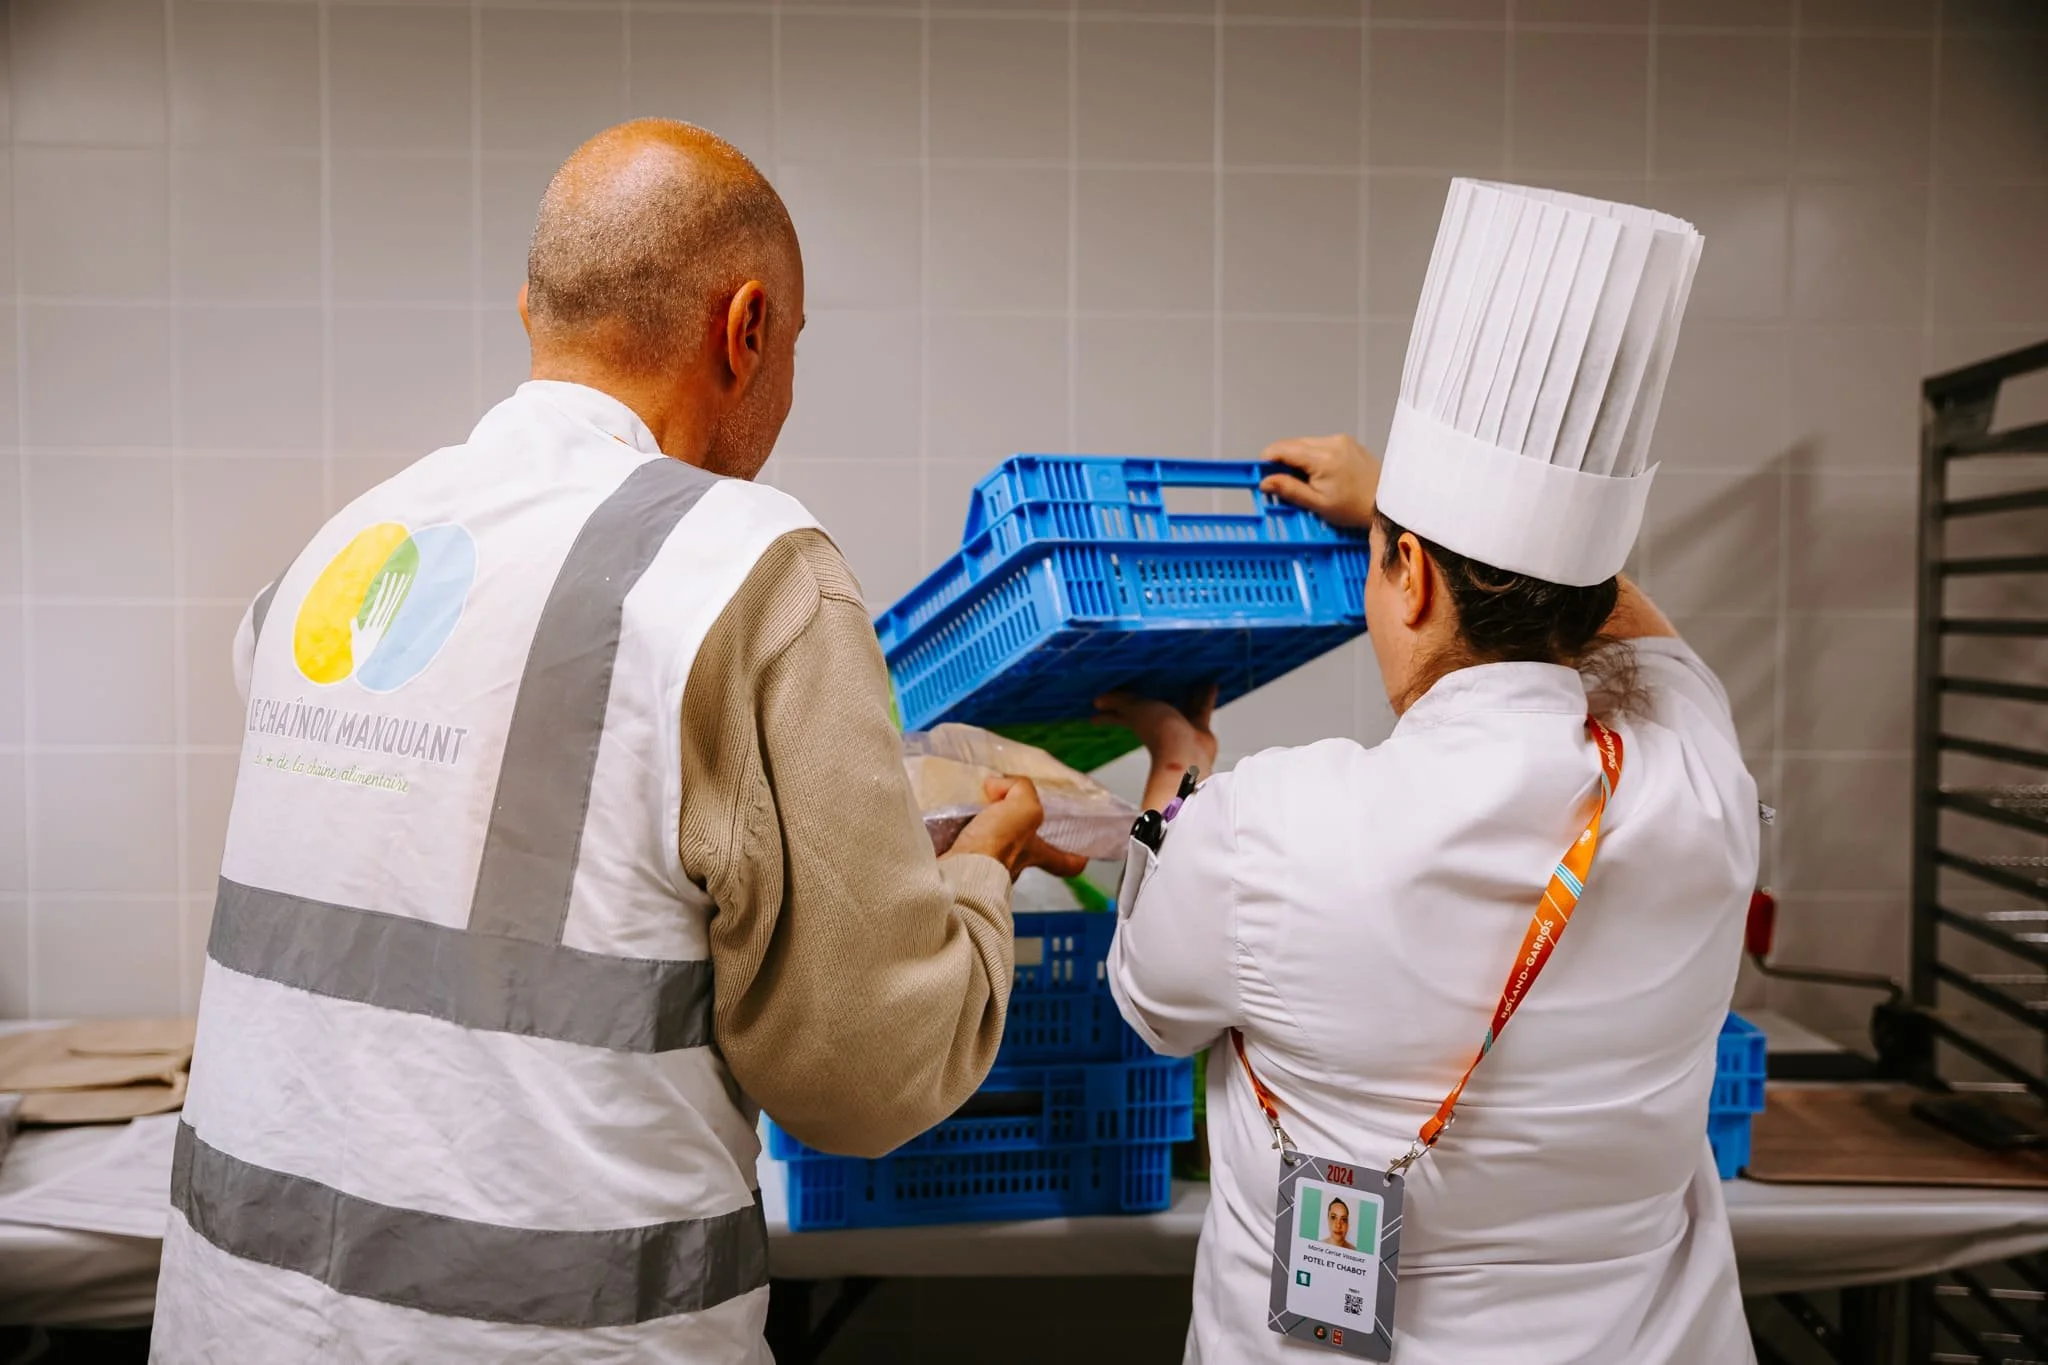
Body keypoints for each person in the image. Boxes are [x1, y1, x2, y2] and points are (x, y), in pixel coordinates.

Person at [151, 120, 1083, 1364]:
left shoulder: (340, 555)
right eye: (789, 347)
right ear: (745, 329)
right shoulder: (748, 571)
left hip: (234, 1324)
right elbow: (864, 1076)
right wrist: (981, 869)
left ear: (531, 309)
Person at [1100, 182, 1758, 1363]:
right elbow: (1629, 629)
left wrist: (1178, 766)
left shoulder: (1267, 827)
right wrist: (1422, 507)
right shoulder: (1695, 774)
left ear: (1406, 574)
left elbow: (1147, 1003)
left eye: (1380, 558)